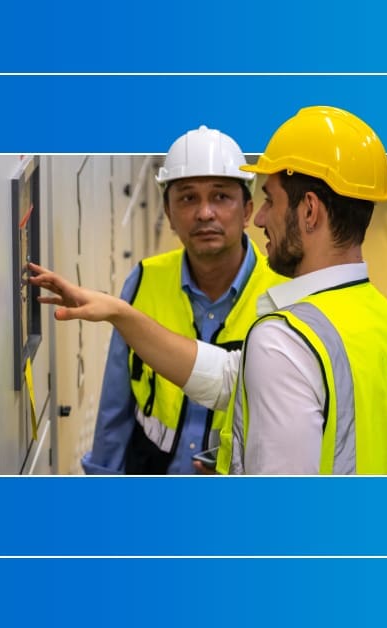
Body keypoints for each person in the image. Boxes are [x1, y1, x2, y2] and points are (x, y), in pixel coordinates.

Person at [34, 106, 387, 475]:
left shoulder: (285, 340)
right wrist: (121, 313)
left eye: (271, 200)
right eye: (187, 198)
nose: (263, 217)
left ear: (309, 212)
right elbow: (232, 376)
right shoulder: (385, 322)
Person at [81, 126, 286, 475]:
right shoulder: (144, 280)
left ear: (247, 209)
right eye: (188, 198)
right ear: (169, 212)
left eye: (221, 197)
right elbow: (115, 406)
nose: (205, 213)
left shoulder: (282, 296)